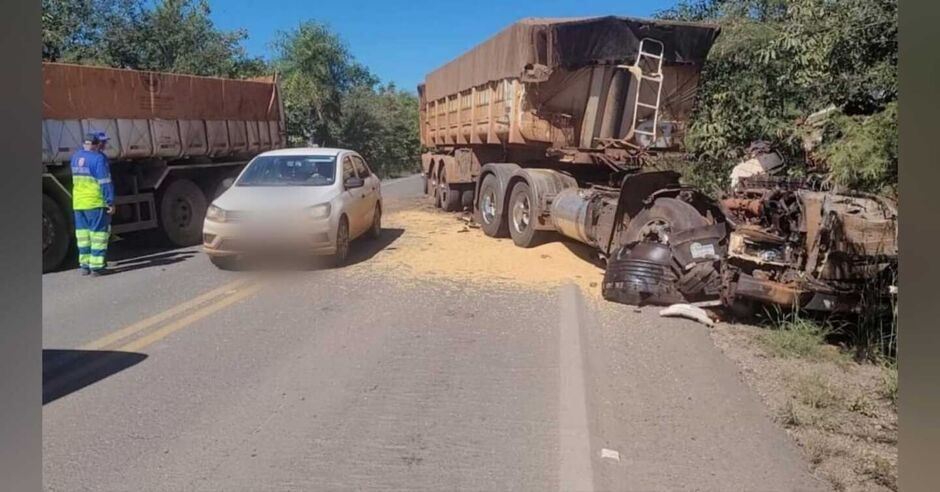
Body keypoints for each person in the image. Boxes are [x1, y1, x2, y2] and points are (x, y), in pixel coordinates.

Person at [70, 132, 115, 276]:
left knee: (83, 236)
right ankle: (97, 266)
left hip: (78, 203)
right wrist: (110, 202)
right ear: (96, 145)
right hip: (95, 202)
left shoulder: (75, 157)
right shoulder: (98, 158)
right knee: (99, 235)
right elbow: (105, 182)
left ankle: (84, 265)